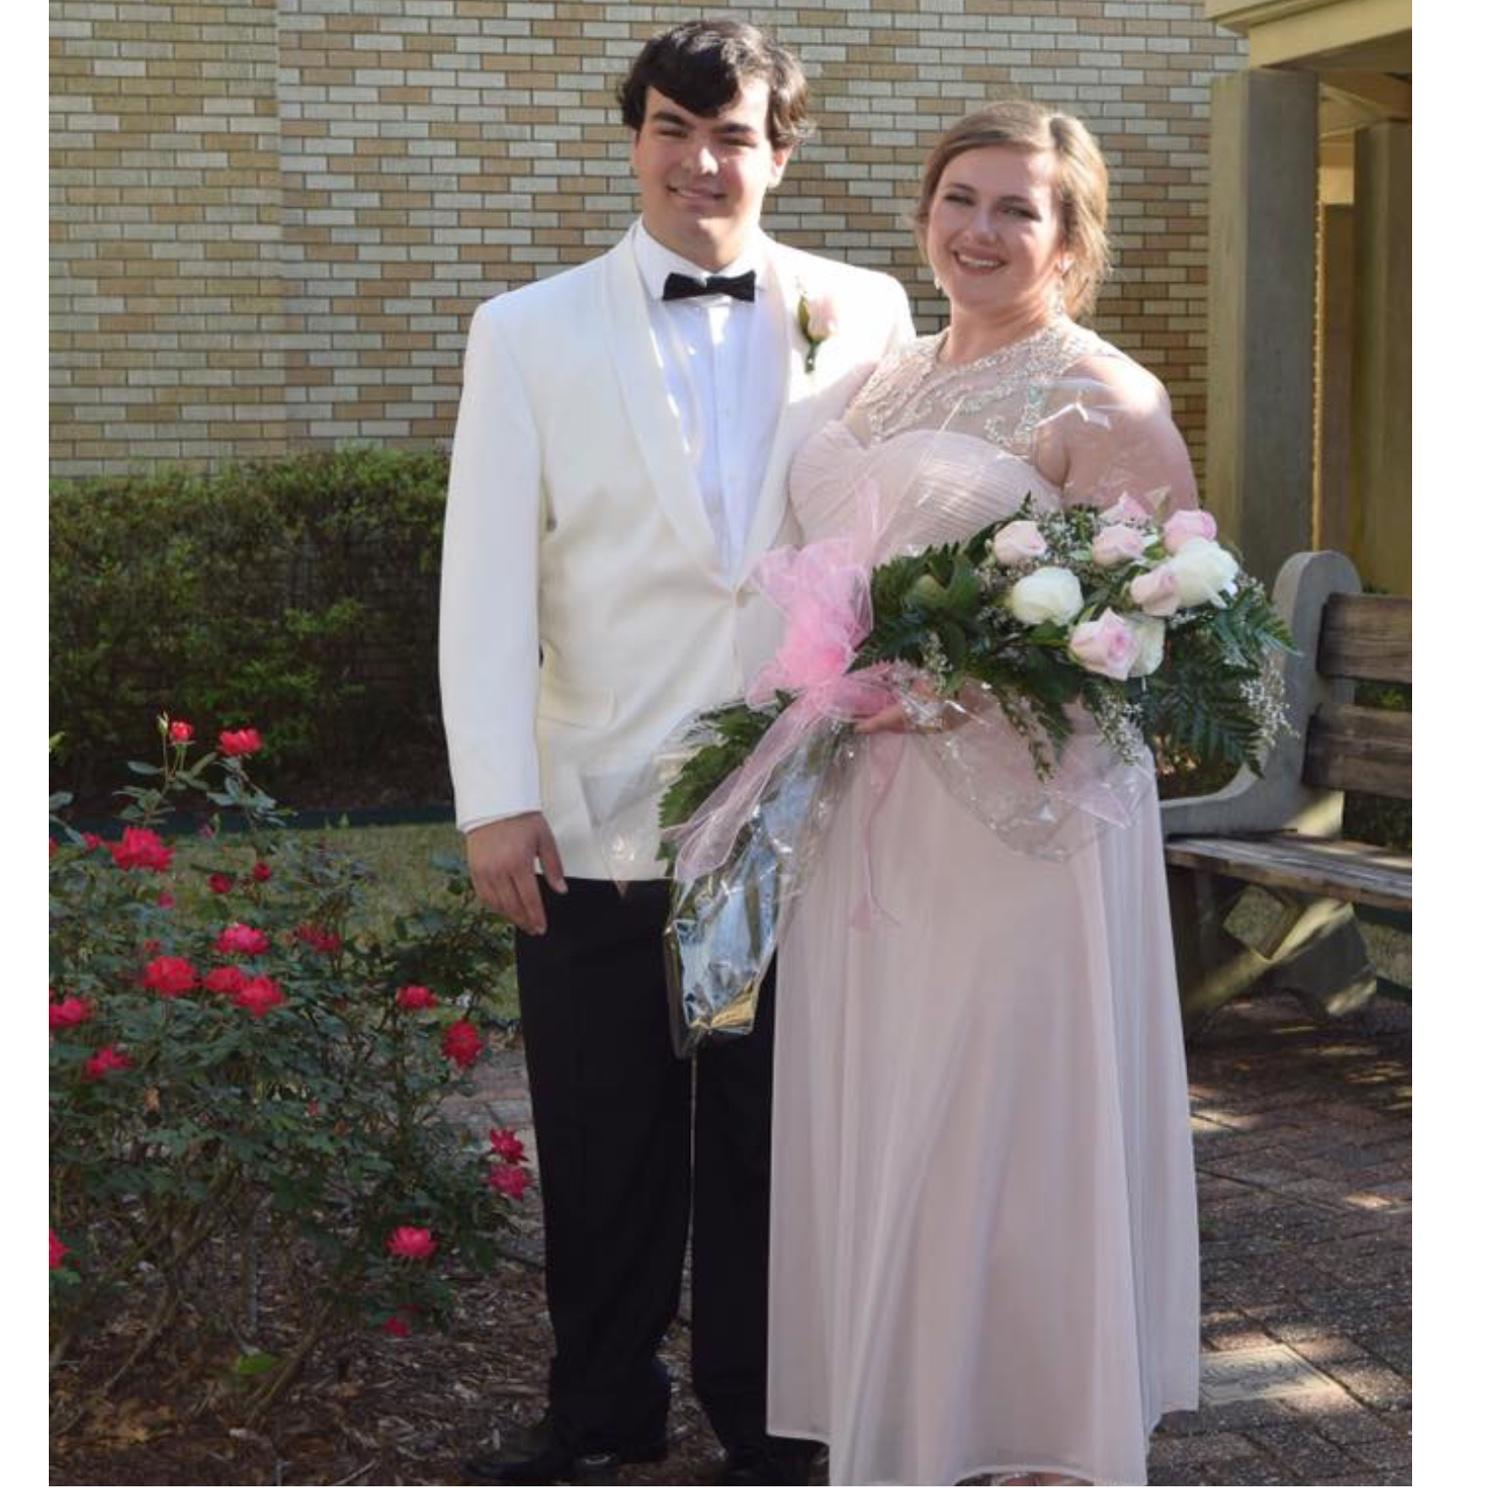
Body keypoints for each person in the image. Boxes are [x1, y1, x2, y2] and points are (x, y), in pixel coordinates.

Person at [439, 18, 913, 1486]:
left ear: (781, 150)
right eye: (670, 128)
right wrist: (495, 799)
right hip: (593, 812)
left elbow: (893, 544)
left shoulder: (870, 311)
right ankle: (600, 1414)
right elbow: (484, 580)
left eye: (733, 135)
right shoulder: (525, 329)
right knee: (603, 1134)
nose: (700, 161)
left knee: (775, 1141)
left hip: (798, 809)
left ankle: (773, 1423)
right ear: (632, 134)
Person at [764, 102, 1201, 1486]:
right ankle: (911, 1409)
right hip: (870, 816)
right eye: (961, 198)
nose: (982, 230)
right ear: (922, 214)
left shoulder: (1105, 398)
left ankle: (1033, 1425)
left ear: (1070, 241)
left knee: (1003, 1102)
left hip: (1023, 820)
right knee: (893, 1095)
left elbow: (1157, 626)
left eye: (1020, 208)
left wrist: (953, 684)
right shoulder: (876, 383)